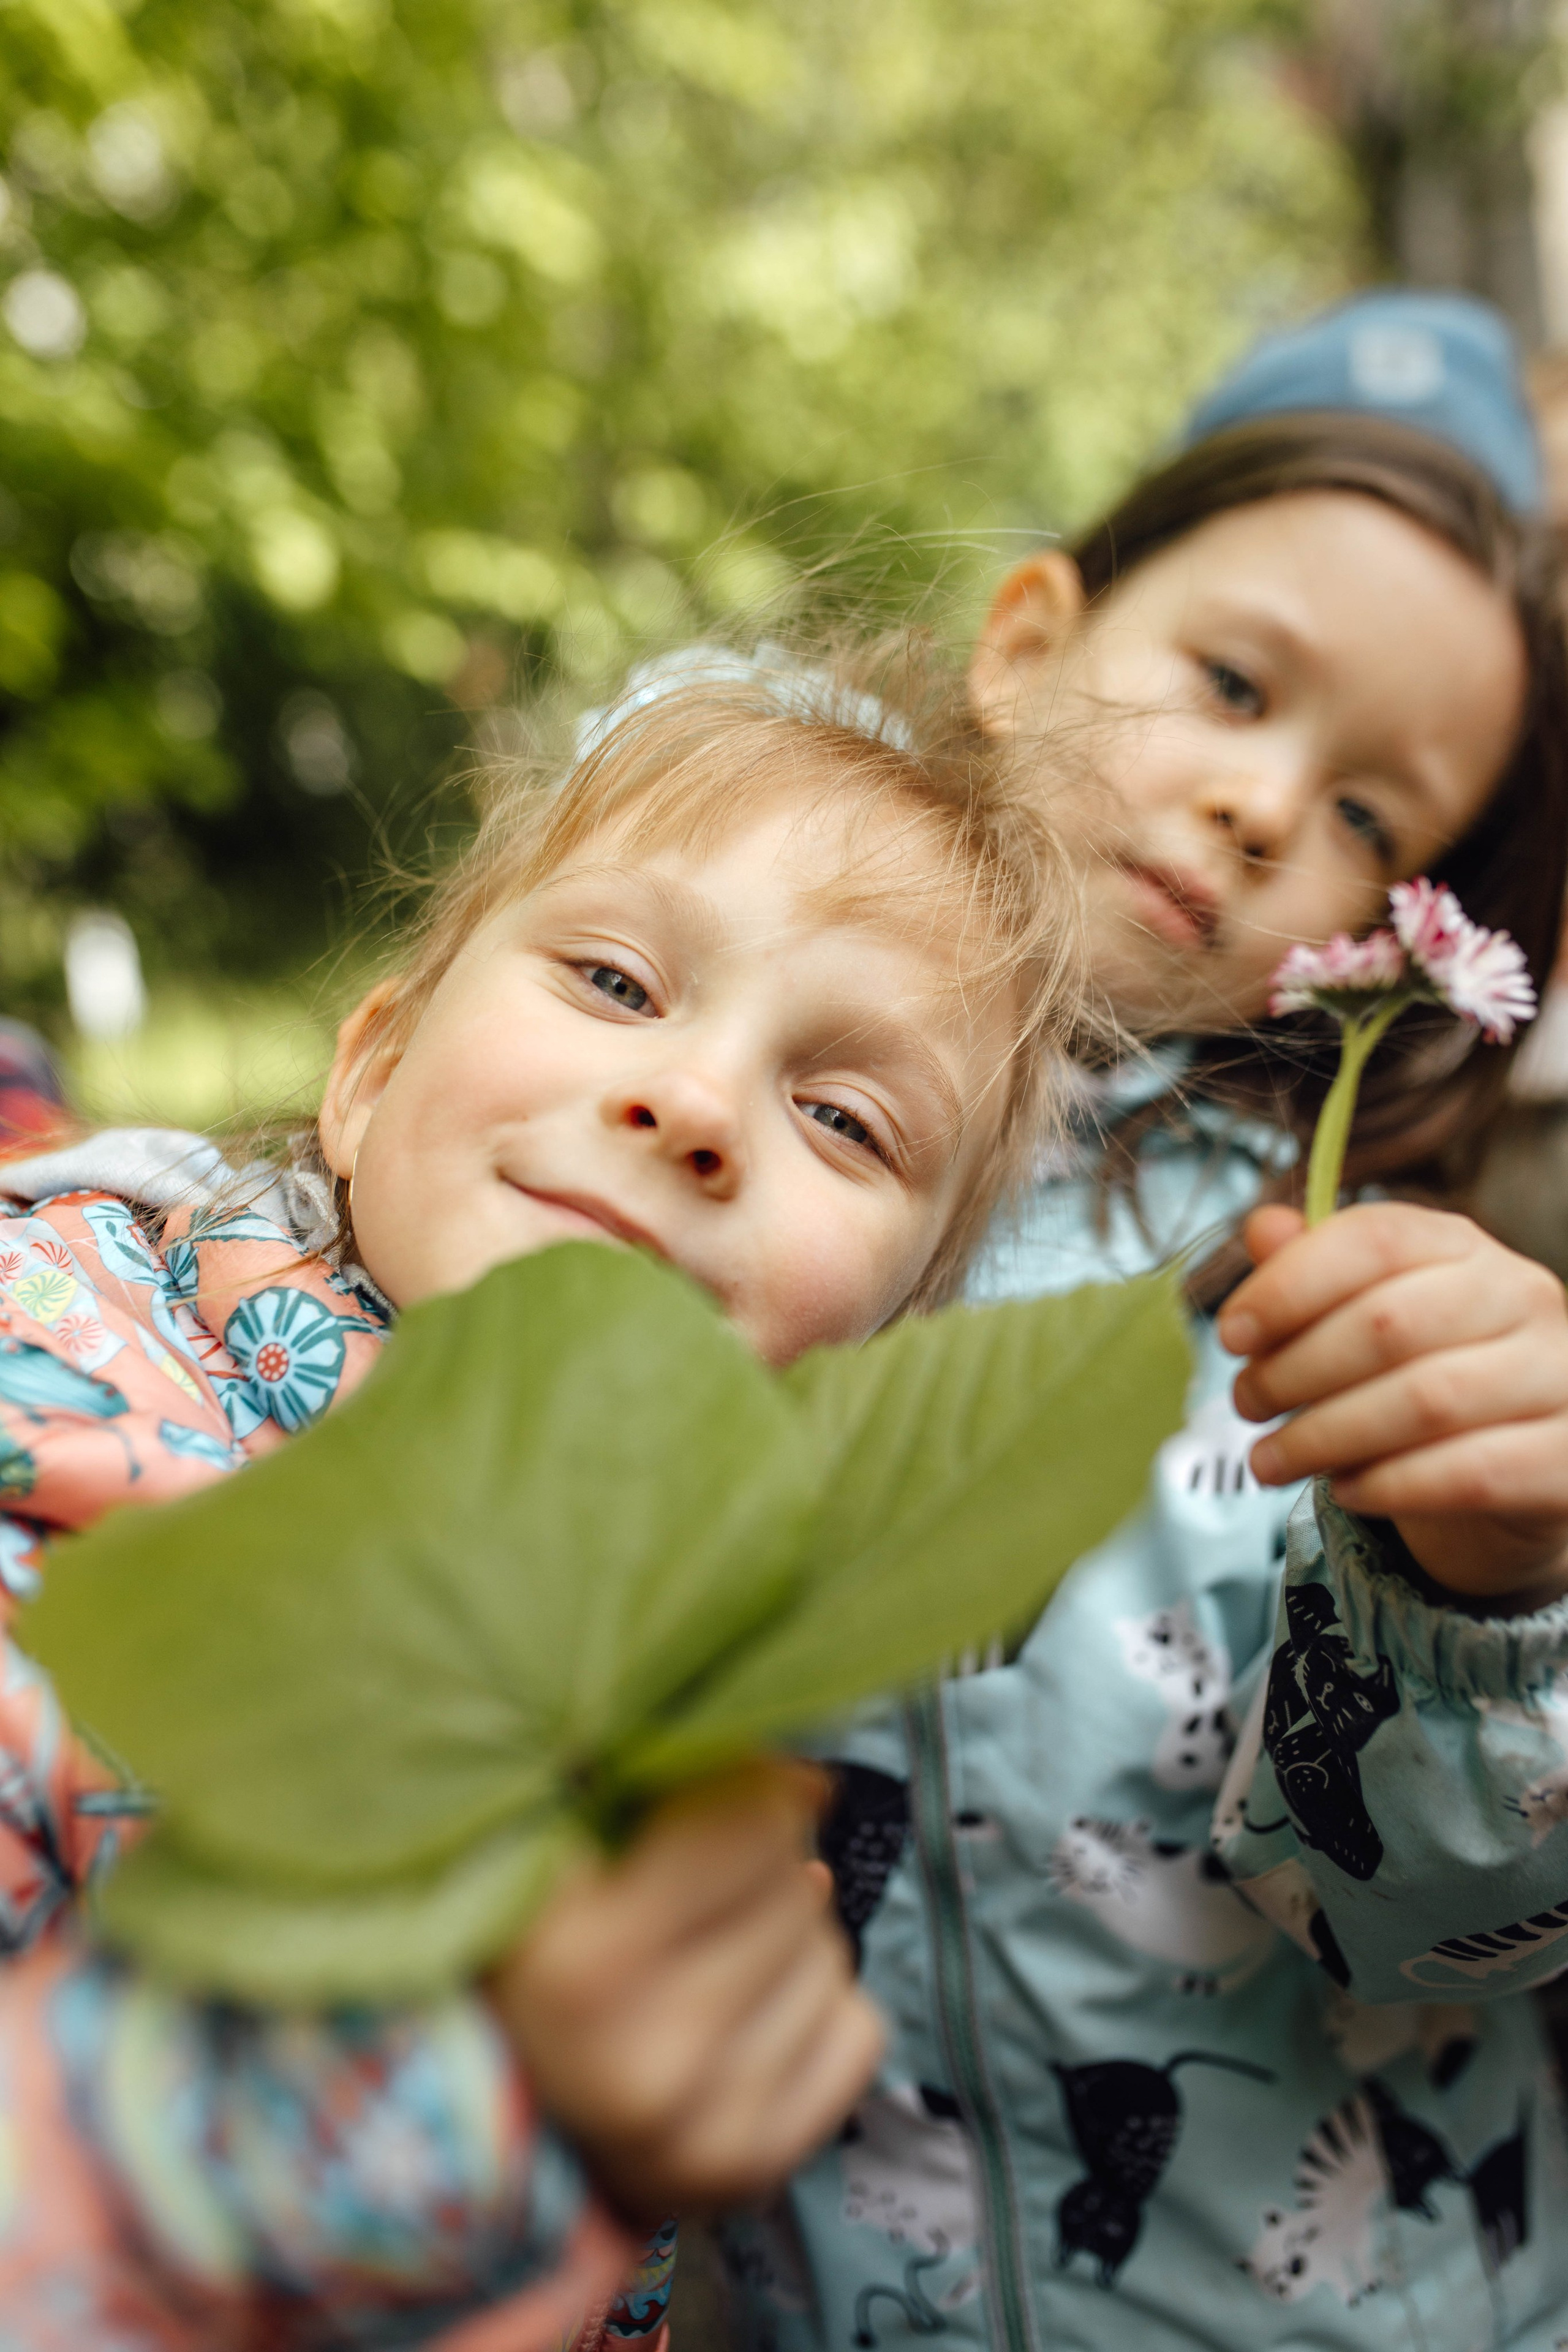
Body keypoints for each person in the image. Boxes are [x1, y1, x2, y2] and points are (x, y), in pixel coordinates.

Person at [0, 638, 1079, 2348]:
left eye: (848, 1117)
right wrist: (443, 2090)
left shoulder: (672, 1758)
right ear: (368, 1077)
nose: (697, 1103)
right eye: (620, 985)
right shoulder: (49, 1392)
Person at [724, 292, 1568, 2350]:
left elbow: (1448, 1924)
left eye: (1379, 817)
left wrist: (1491, 1591)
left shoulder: (1348, 1299)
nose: (1272, 810)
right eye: (1231, 679)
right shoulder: (711, 1144)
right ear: (1025, 644)